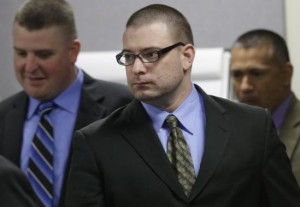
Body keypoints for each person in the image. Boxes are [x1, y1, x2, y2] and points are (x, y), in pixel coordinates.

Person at [65, 4, 300, 207]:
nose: (137, 68)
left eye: (151, 54)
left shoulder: (253, 127)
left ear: (187, 56)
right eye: (128, 57)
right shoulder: (97, 144)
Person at [0, 0, 132, 206]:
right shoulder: (2, 115)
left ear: (73, 51)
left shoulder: (123, 108)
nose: (30, 66)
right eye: (21, 53)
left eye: (44, 55)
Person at [230, 29, 300, 185]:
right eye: (237, 75)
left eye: (256, 73)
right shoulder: (224, 131)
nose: (245, 86)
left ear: (286, 74)